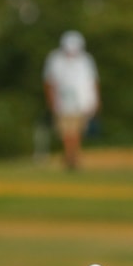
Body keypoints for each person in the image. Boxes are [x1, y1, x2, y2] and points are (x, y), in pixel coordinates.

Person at [43, 30, 100, 170]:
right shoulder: (55, 59)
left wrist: (95, 100)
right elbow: (49, 82)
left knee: (77, 130)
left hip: (81, 101)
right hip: (62, 102)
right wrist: (51, 100)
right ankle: (71, 157)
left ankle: (72, 157)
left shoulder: (86, 60)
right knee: (66, 131)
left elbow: (92, 82)